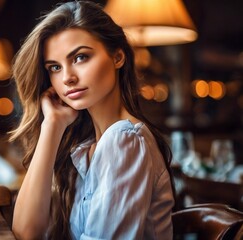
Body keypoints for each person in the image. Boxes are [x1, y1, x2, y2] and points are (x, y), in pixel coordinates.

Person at [9, 1, 175, 239]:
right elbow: (25, 233)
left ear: (118, 57)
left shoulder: (124, 140)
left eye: (80, 58)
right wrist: (52, 126)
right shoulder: (86, 146)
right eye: (55, 67)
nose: (67, 78)